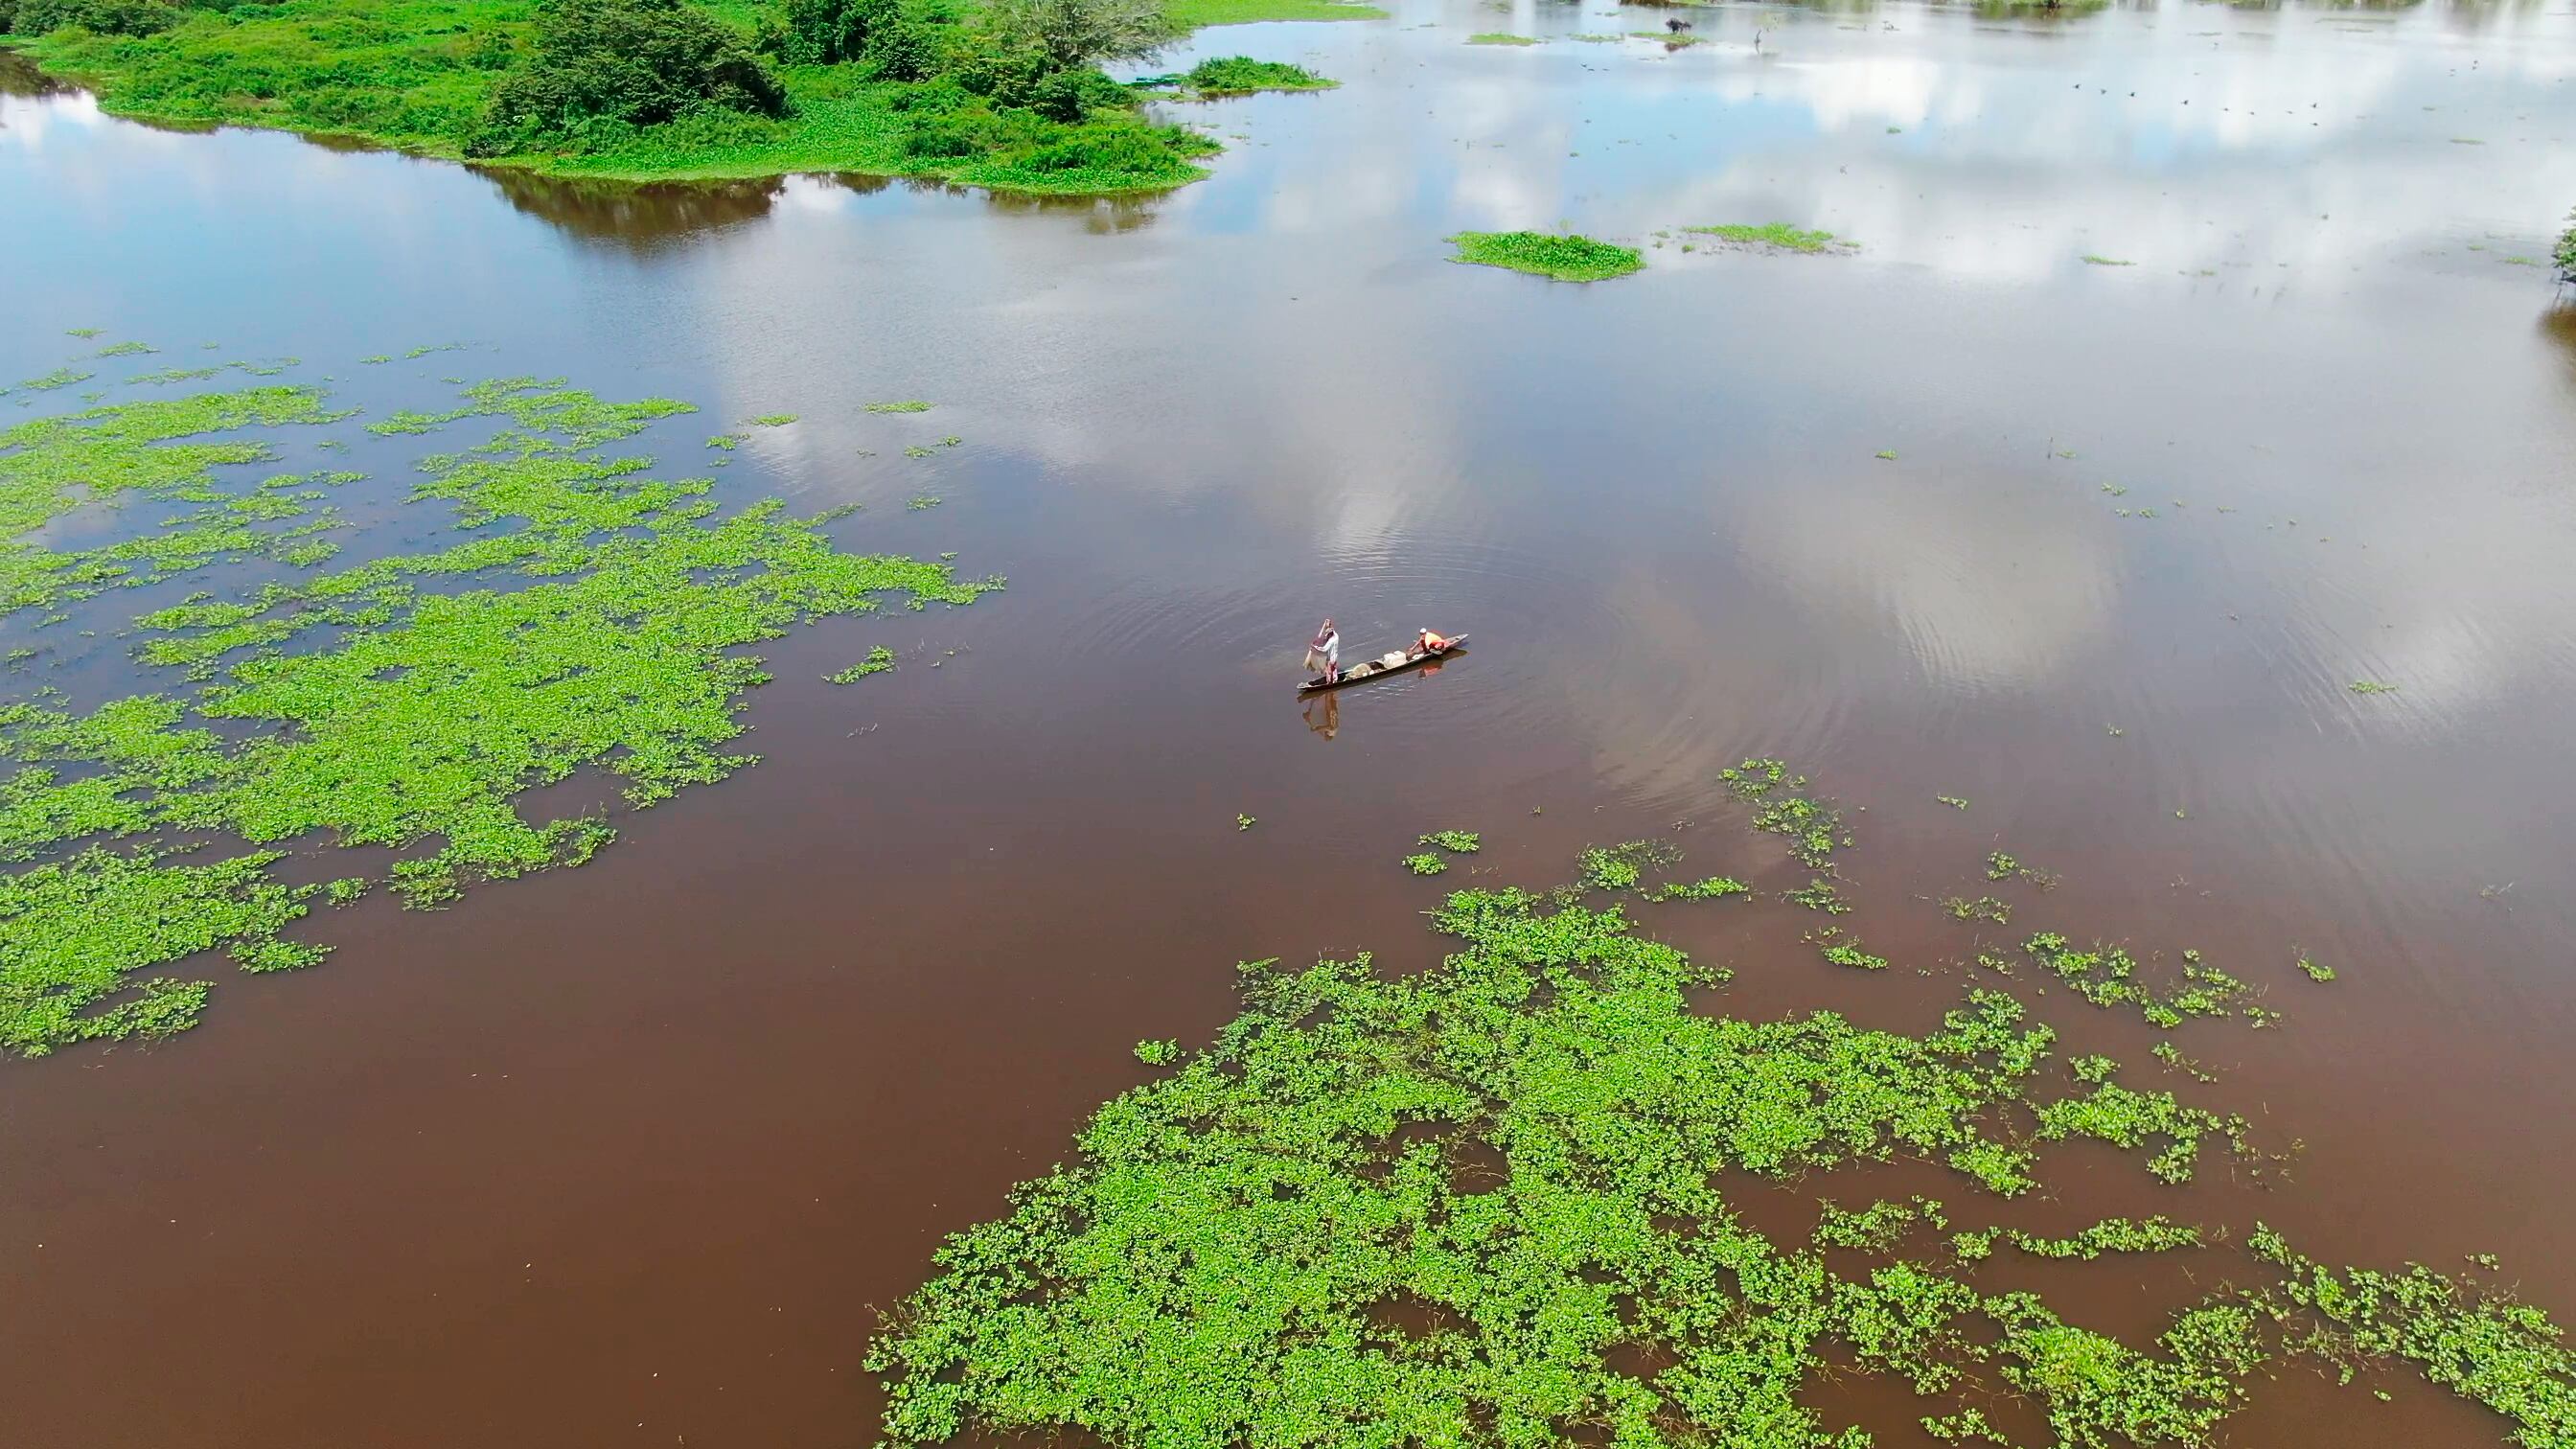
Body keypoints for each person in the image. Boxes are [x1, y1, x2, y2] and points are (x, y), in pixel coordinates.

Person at [1306, 617, 1340, 683]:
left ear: (1330, 634)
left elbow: (1324, 649)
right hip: (1335, 658)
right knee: (1334, 669)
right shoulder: (1336, 636)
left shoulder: (1330, 641)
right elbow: (1331, 629)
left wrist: (1315, 647)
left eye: (1327, 635)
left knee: (1328, 671)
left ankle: (1329, 683)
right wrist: (1327, 623)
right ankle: (1335, 680)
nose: (1326, 636)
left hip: (1330, 660)